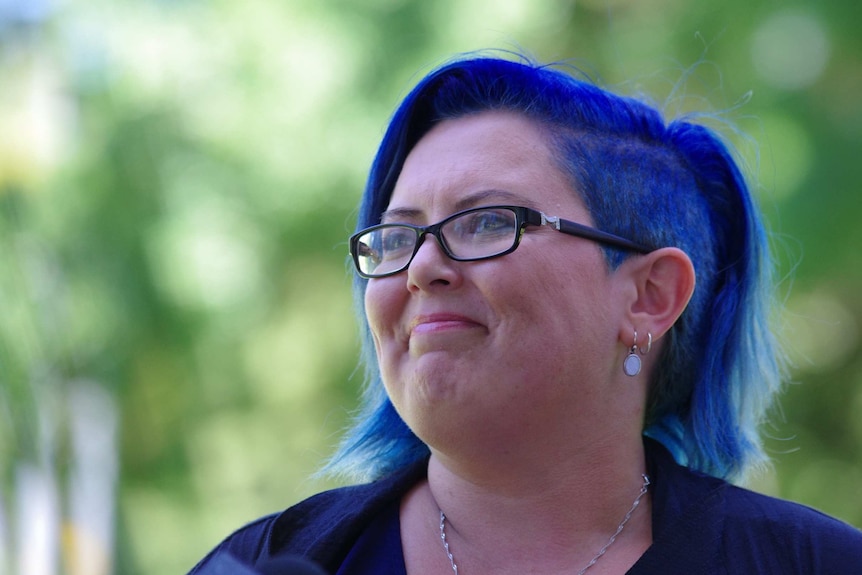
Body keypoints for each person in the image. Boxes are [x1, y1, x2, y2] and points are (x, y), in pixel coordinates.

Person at [189, 54, 862, 574]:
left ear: (649, 296)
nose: (421, 266)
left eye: (485, 221)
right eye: (396, 237)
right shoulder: (265, 562)